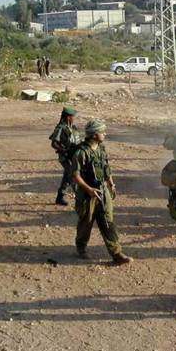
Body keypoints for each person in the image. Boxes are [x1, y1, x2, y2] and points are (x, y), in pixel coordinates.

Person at [71, 119, 132, 265]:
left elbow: (106, 168)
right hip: (87, 194)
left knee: (107, 221)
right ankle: (81, 247)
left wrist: (111, 184)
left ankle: (116, 253)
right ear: (93, 135)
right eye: (101, 131)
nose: (104, 134)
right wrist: (89, 190)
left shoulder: (101, 148)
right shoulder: (81, 152)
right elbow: (75, 175)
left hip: (102, 191)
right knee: (86, 222)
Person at [49, 106, 81, 206]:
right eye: (72, 116)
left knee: (68, 177)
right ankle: (80, 199)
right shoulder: (61, 128)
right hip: (66, 157)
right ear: (68, 117)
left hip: (74, 156)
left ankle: (60, 197)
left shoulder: (72, 128)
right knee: (73, 176)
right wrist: (64, 150)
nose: (74, 118)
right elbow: (54, 143)